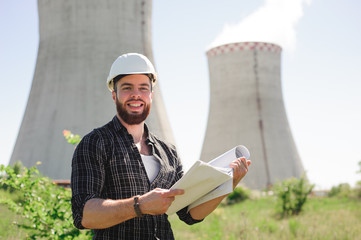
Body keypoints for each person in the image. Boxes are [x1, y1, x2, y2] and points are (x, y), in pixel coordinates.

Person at [71, 53, 251, 239]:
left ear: (151, 95)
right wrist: (139, 205)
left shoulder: (168, 152)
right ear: (114, 95)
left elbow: (189, 214)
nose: (136, 94)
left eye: (143, 88)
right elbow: (83, 214)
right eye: (127, 88)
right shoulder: (95, 142)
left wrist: (229, 183)